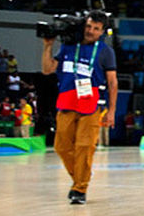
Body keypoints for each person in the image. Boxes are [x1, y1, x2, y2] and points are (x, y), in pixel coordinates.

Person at [40, 11, 117, 205]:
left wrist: (112, 111)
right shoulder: (68, 46)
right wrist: (48, 46)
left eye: (96, 29)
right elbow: (47, 69)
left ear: (102, 32)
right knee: (61, 146)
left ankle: (79, 189)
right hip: (67, 102)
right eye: (89, 26)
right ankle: (81, 175)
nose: (91, 31)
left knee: (85, 146)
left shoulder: (105, 51)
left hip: (92, 105)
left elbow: (113, 83)